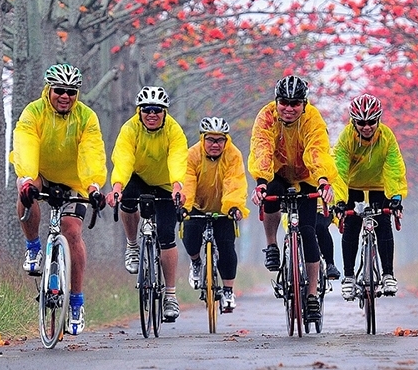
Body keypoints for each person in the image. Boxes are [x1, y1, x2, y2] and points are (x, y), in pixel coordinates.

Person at [10, 63, 107, 336]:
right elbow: (26, 144)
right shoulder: (34, 112)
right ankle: (33, 248)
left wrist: (93, 186)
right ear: (48, 90)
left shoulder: (87, 117)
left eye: (71, 92)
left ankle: (76, 302)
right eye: (60, 91)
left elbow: (92, 152)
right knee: (25, 192)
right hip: (40, 172)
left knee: (72, 231)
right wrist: (27, 178)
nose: (65, 96)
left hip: (74, 179)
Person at [249, 75, 339, 322]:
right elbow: (261, 147)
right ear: (276, 102)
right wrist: (261, 183)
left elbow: (317, 149)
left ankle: (311, 295)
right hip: (277, 172)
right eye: (284, 103)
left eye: (295, 104)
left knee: (309, 232)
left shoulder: (312, 119)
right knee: (270, 199)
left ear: (304, 104)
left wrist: (322, 179)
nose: (289, 108)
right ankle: (272, 245)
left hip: (307, 176)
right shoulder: (266, 116)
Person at [106, 86, 189, 322]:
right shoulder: (130, 129)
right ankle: (132, 246)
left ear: (165, 112)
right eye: (146, 110)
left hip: (165, 184)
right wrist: (118, 186)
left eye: (157, 110)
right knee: (128, 201)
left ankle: (170, 295)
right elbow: (123, 158)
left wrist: (177, 186)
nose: (151, 114)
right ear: (139, 111)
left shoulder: (174, 131)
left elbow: (177, 158)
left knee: (167, 237)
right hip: (139, 178)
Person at [333, 93, 408, 300]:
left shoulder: (387, 137)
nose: (366, 127)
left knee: (383, 223)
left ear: (379, 119)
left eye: (371, 122)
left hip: (378, 185)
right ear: (353, 122)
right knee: (352, 226)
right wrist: (339, 200)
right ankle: (349, 277)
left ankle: (388, 275)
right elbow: (338, 169)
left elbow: (394, 166)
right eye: (361, 122)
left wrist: (396, 197)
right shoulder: (346, 138)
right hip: (353, 186)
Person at [182, 116, 249, 312]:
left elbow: (235, 182)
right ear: (203, 138)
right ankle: (196, 263)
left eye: (220, 140)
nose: (215, 144)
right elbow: (187, 181)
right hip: (196, 204)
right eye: (210, 139)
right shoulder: (192, 154)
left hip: (223, 208)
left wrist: (234, 206)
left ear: (226, 140)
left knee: (227, 246)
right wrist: (184, 206)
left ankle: (228, 291)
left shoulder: (233, 155)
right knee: (190, 236)